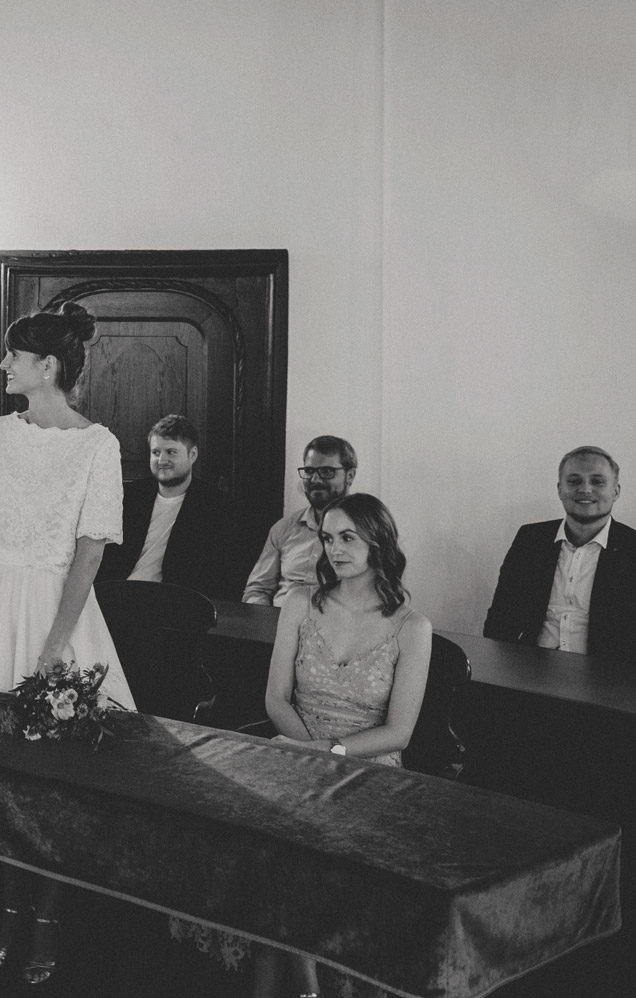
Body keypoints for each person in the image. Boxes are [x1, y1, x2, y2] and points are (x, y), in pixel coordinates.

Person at [0, 302, 134, 987]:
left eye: (15, 355)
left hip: (54, 610)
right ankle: (4, 907)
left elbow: (89, 556)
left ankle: (46, 916)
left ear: (48, 367)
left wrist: (52, 647)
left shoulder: (98, 445)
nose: (4, 364)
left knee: (51, 782)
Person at [177, 492, 431, 998]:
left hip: (370, 769)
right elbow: (275, 698)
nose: (335, 549)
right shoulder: (299, 604)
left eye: (348, 538)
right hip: (293, 746)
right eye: (328, 538)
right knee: (270, 847)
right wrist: (306, 750)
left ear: (378, 541)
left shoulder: (412, 627)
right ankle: (304, 985)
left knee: (319, 861)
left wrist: (330, 753)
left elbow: (399, 732)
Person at [483, 445, 636, 661]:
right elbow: (500, 618)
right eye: (573, 481)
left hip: (606, 680)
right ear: (559, 489)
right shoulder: (531, 539)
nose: (585, 489)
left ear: (616, 491)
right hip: (530, 670)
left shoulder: (632, 549)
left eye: (597, 481)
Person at [96, 413, 246, 599]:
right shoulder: (129, 497)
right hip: (118, 595)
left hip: (175, 605)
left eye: (171, 452)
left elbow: (220, 575)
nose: (161, 460)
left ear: (193, 455)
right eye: (156, 453)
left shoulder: (217, 508)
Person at [242, 435, 357, 606]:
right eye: (309, 471)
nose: (316, 480)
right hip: (279, 625)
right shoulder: (283, 528)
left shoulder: (367, 529)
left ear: (350, 475)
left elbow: (379, 595)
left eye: (327, 472)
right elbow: (257, 590)